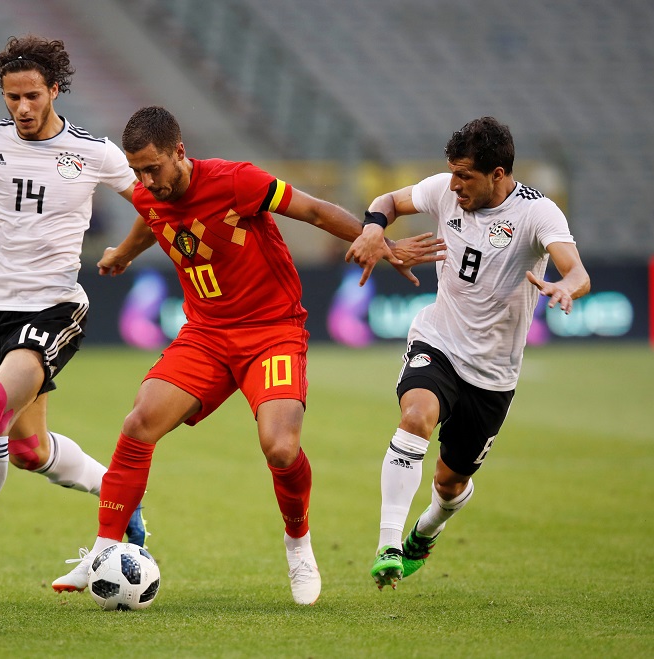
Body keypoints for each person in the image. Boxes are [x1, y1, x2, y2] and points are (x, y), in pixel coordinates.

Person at [51, 106, 445, 604]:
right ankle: (105, 550)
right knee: (138, 424)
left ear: (179, 152)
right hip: (206, 335)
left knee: (280, 448)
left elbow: (315, 211)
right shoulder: (153, 192)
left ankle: (298, 543)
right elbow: (151, 220)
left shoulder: (237, 182)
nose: (146, 181)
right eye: (137, 172)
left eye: (153, 168)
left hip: (271, 332)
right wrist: (125, 253)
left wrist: (380, 240)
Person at [0, 34, 148, 593]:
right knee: (29, 449)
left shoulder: (94, 152)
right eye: (12, 97)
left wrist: (126, 251)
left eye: (32, 95)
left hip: (55, 306)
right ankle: (118, 492)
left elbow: (156, 202)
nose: (23, 108)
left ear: (55, 90)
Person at [344, 117, 591, 591]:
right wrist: (375, 228)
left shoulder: (539, 215)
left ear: (498, 174)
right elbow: (389, 202)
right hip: (438, 340)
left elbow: (577, 271)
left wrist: (566, 288)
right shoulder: (443, 189)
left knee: (449, 483)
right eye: (452, 173)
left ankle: (427, 530)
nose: (454, 185)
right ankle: (388, 545)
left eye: (466, 176)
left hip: (494, 373)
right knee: (415, 416)